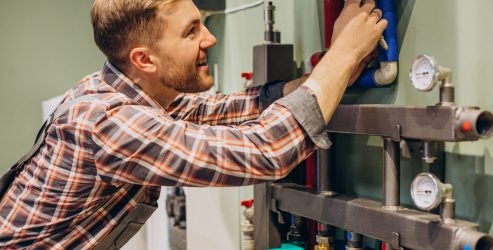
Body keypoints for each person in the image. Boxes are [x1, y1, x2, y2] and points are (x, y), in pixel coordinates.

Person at [0, 0, 386, 248]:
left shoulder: (128, 91)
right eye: (191, 31)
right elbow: (266, 150)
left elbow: (238, 108)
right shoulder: (106, 121)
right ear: (145, 59)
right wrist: (343, 54)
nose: (211, 38)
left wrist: (337, 72)